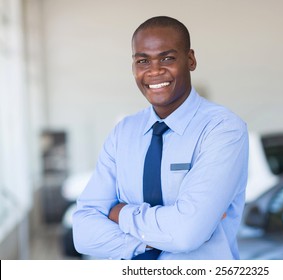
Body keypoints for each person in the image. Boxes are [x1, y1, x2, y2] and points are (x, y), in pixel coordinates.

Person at [72, 16, 249, 260]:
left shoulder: (222, 129)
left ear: (190, 60)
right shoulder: (123, 132)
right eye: (143, 60)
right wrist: (155, 240)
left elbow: (186, 233)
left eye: (167, 58)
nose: (154, 71)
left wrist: (120, 213)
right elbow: (83, 234)